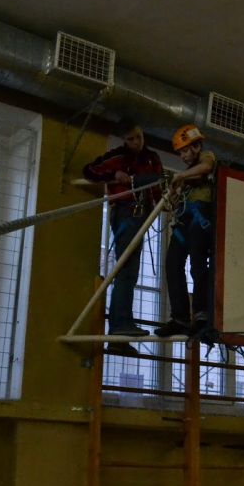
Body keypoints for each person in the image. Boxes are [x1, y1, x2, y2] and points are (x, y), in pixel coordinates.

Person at [83, 119, 163, 354]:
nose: (137, 142)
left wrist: (160, 206)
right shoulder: (117, 157)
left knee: (130, 271)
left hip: (143, 213)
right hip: (126, 212)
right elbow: (89, 170)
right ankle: (119, 325)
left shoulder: (152, 158)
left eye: (139, 137)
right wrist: (114, 173)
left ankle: (120, 334)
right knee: (125, 269)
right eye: (131, 139)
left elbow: (158, 184)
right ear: (124, 140)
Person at [155, 124, 216, 338]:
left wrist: (180, 177)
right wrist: (174, 191)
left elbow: (206, 167)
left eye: (185, 151)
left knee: (198, 263)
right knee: (173, 263)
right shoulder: (187, 178)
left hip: (200, 217)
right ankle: (179, 317)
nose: (182, 156)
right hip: (184, 220)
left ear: (196, 146)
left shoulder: (206, 157)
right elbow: (175, 199)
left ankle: (201, 313)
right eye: (180, 153)